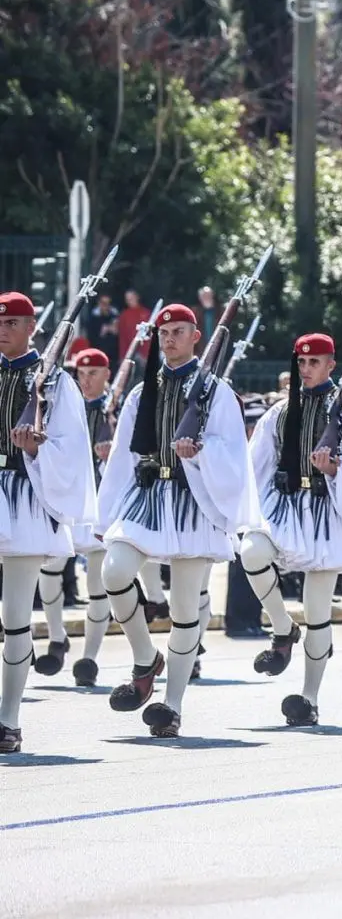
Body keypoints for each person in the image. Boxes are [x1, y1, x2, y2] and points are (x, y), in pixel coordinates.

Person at [98, 303, 256, 737]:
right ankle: (145, 658)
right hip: (147, 495)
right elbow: (124, 455)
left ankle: (172, 706)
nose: (169, 339)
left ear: (195, 338)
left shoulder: (217, 392)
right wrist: (105, 512)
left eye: (179, 331)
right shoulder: (139, 392)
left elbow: (233, 453)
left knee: (186, 609)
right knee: (113, 572)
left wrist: (200, 450)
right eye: (164, 332)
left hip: (194, 501)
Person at [240, 333, 342, 726]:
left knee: (318, 608)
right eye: (302, 362)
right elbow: (258, 463)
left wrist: (335, 468)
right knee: (252, 551)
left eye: (315, 362)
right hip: (287, 506)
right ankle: (283, 627)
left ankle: (309, 698)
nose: (306, 369)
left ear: (331, 365)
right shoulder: (279, 410)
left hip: (329, 510)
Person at [0, 291, 96, 754]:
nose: (3, 330)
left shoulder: (55, 381)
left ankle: (9, 719)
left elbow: (74, 449)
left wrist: (36, 449)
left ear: (32, 327)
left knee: (16, 614)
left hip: (23, 498)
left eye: (13, 323)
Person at [31, 349, 111, 680]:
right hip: (67, 497)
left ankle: (89, 658)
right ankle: (56, 638)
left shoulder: (119, 409)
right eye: (82, 372)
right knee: (49, 573)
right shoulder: (60, 406)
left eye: (94, 372)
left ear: (107, 374)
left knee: (97, 583)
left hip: (100, 503)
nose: (86, 379)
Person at [115, 289, 151, 360]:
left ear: (137, 297)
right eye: (127, 299)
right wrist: (122, 356)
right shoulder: (124, 315)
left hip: (144, 353)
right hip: (129, 352)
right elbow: (122, 336)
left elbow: (151, 334)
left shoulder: (146, 313)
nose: (129, 301)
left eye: (131, 298)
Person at [85, 293, 120, 360]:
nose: (105, 305)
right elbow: (92, 337)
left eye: (108, 303)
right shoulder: (92, 318)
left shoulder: (115, 315)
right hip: (97, 353)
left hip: (114, 354)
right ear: (99, 303)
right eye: (103, 302)